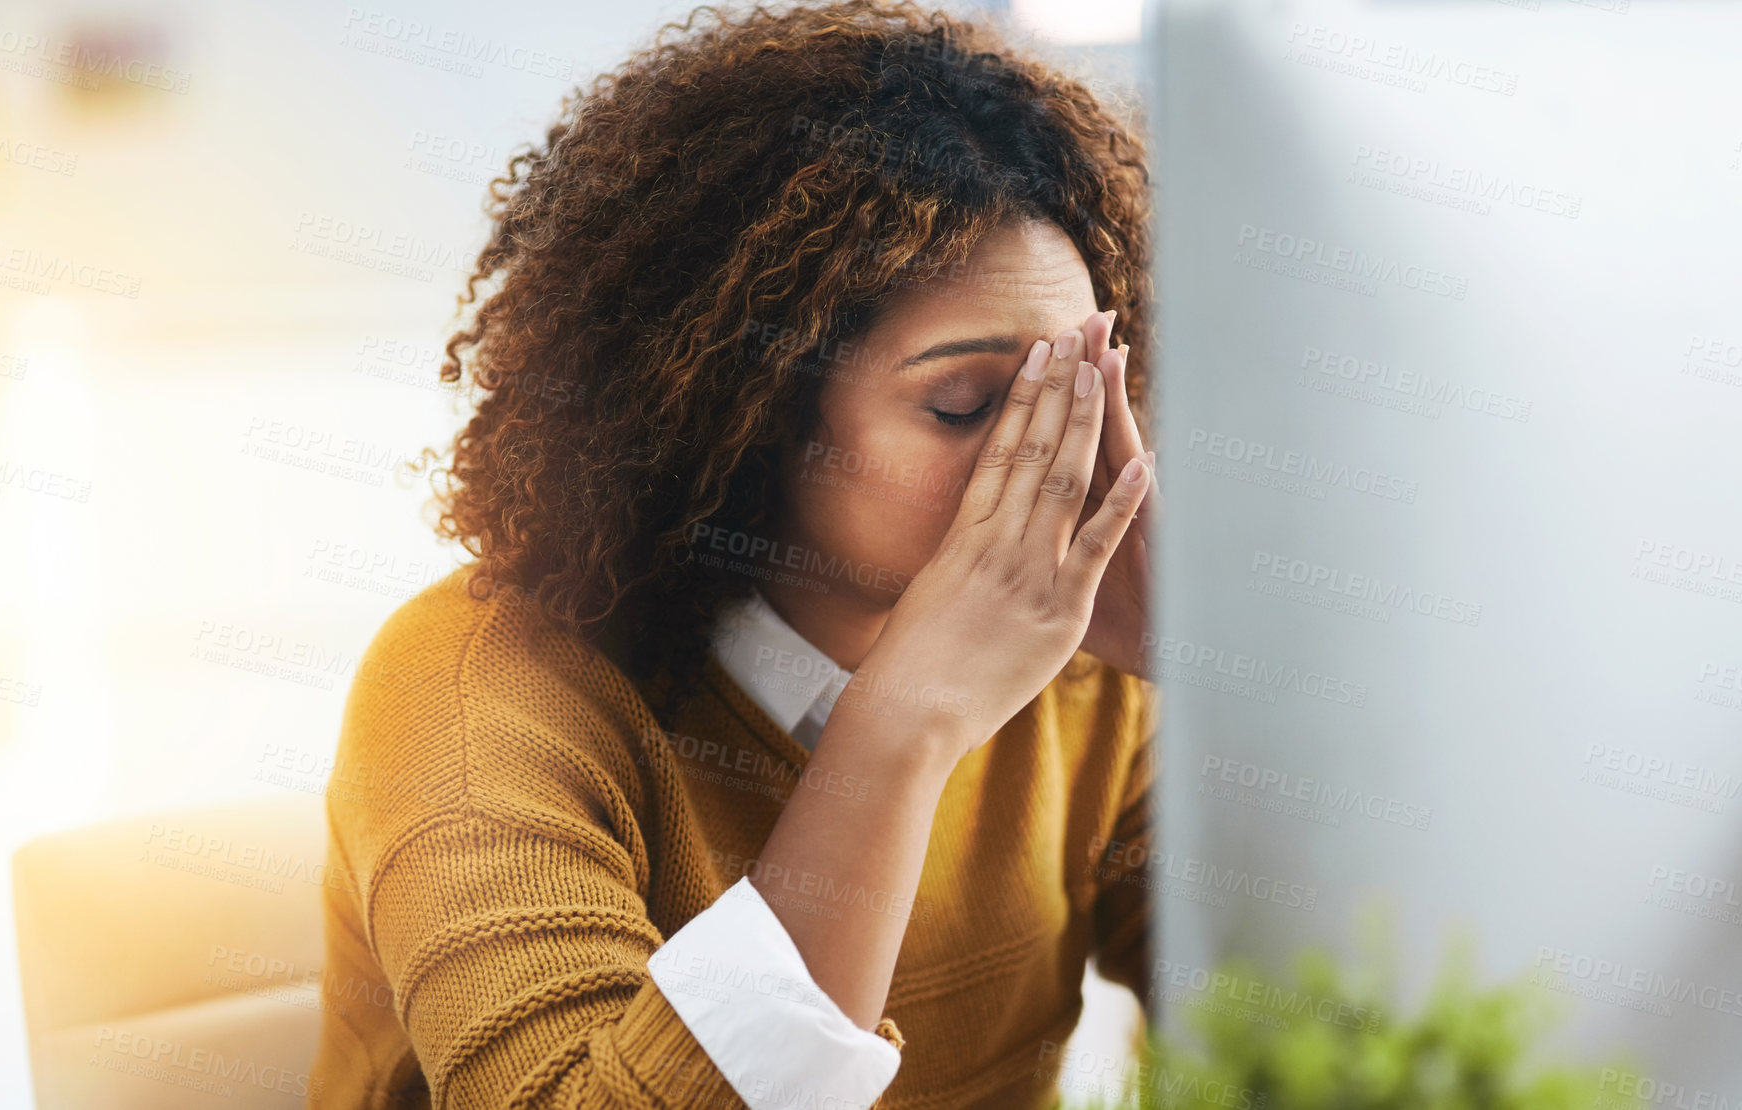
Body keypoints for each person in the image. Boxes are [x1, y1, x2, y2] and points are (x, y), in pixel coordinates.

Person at [308, 1, 1158, 1106]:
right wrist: (901, 727)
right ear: (747, 419)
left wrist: (1215, 678)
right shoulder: (473, 689)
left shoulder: (1085, 674)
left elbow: (1338, 1021)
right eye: (963, 403)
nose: (1059, 458)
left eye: (1079, 390)